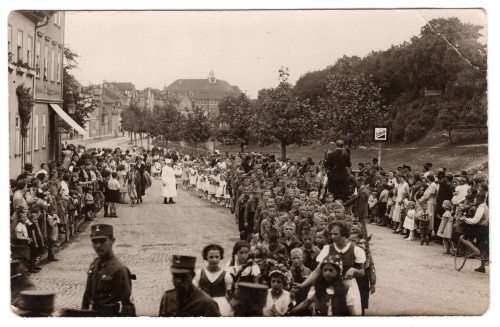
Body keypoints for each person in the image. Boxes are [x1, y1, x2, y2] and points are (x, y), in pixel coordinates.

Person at [296, 221, 364, 315]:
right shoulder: (327, 248)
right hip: (329, 284)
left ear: (344, 234)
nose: (333, 237)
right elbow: (317, 271)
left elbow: (362, 272)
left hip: (348, 285)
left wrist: (353, 270)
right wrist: (303, 284)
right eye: (331, 234)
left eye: (336, 234)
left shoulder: (356, 250)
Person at [82, 224, 136, 316]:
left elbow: (127, 306)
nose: (98, 246)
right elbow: (86, 297)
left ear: (112, 241)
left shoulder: (120, 269)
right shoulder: (94, 265)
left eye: (103, 241)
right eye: (94, 242)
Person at [289, 255, 356, 316]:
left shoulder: (346, 289)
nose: (327, 273)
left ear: (338, 271)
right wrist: (291, 311)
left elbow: (351, 311)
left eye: (331, 270)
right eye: (325, 270)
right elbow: (305, 303)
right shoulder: (317, 287)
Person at [193, 244, 233, 316]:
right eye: (211, 257)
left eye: (217, 257)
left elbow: (230, 294)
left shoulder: (226, 275)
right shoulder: (199, 273)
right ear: (206, 257)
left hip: (221, 305)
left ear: (221, 257)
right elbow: (193, 291)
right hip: (204, 303)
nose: (214, 260)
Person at [459, 193, 489, 273]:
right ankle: (482, 267)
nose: (475, 200)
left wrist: (465, 219)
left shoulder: (481, 208)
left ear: (478, 199)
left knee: (462, 238)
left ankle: (474, 250)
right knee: (481, 245)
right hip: (485, 228)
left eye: (476, 199)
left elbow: (475, 221)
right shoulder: (486, 207)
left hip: (478, 228)